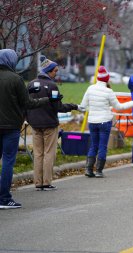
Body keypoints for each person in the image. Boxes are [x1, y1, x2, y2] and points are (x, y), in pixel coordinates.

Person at [0, 49, 56, 209]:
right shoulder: (15, 79)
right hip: (10, 126)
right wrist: (46, 99)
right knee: (8, 161)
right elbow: (28, 104)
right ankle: (4, 198)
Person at [26, 56, 80, 191]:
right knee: (49, 153)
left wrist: (27, 118)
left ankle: (38, 183)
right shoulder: (52, 85)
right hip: (49, 123)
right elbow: (58, 107)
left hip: (34, 124)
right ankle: (46, 182)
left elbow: (25, 104)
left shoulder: (31, 84)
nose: (56, 73)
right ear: (48, 71)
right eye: (55, 71)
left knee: (38, 153)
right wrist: (74, 106)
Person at [80, 66, 133, 178]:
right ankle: (98, 171)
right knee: (102, 146)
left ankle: (88, 169)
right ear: (106, 79)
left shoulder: (90, 89)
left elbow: (83, 107)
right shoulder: (108, 91)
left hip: (92, 122)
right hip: (104, 122)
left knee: (93, 145)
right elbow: (119, 107)